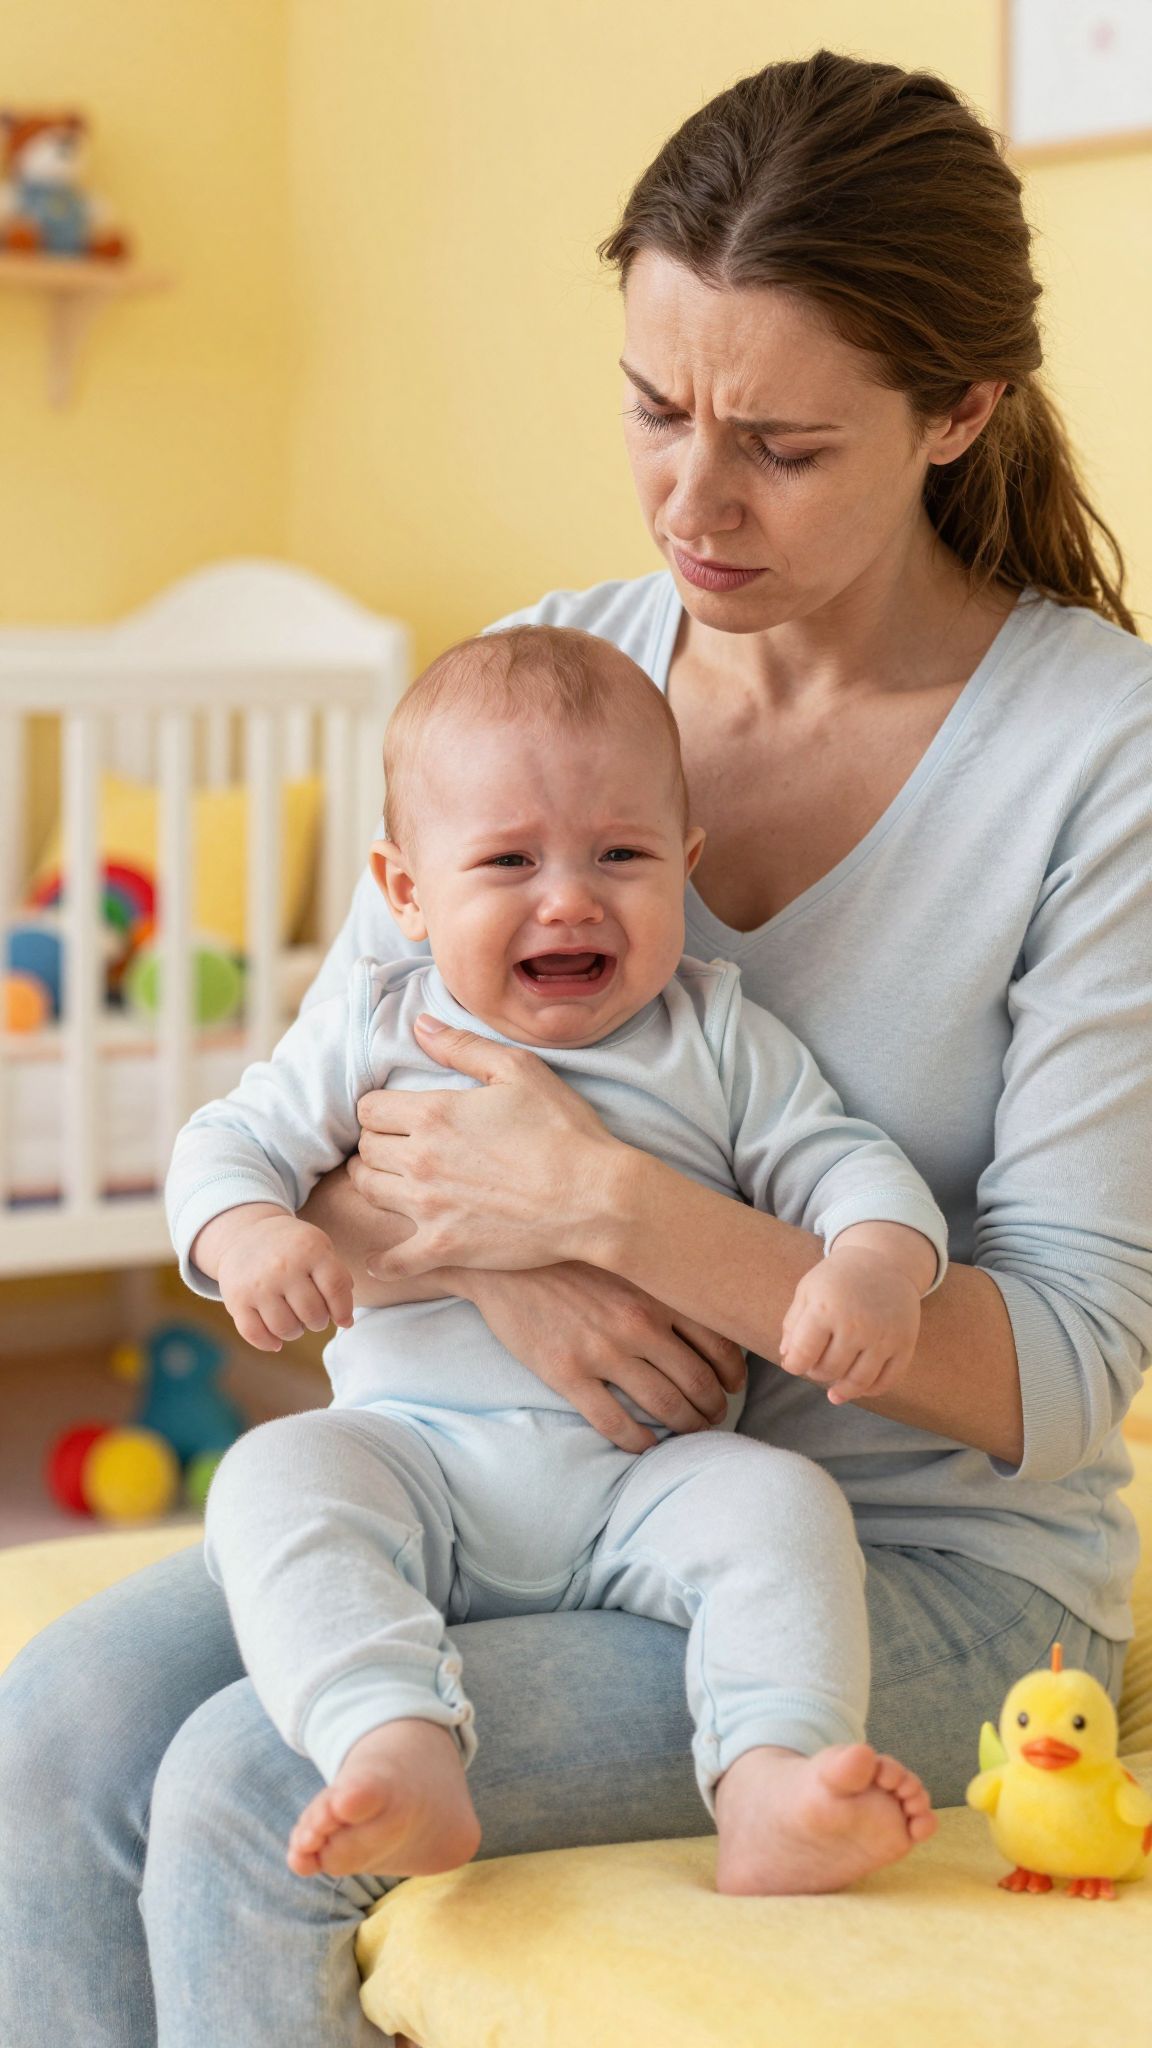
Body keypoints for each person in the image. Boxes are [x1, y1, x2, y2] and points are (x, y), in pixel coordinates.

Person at [1, 46, 1149, 2048]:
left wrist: (621, 1210)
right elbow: (324, 1124)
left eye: (781, 445)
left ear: (958, 411)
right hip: (506, 1482)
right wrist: (518, 1254)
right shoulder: (555, 683)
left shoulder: (1098, 763)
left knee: (251, 1792)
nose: (693, 499)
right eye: (653, 407)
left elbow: (1063, 1374)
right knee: (52, 1728)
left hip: (915, 1565)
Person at [170, 624, 946, 1896]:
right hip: (413, 1453)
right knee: (273, 1476)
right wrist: (249, 1228)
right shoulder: (377, 1022)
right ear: (406, 889)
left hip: (645, 1476)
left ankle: (774, 1779)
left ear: (685, 867)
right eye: (509, 860)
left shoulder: (719, 1036)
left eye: (621, 855)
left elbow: (855, 1169)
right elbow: (226, 1142)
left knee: (785, 1509)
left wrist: (870, 1266)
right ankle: (393, 1740)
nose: (570, 897)